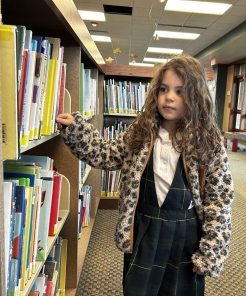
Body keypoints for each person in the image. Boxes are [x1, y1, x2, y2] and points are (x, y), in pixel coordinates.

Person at [56, 54, 234, 296]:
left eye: (180, 91)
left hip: (186, 234)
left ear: (196, 97)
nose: (169, 97)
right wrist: (77, 131)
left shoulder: (208, 143)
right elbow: (107, 154)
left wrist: (212, 250)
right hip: (144, 228)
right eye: (164, 89)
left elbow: (219, 201)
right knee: (138, 289)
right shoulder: (140, 132)